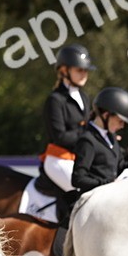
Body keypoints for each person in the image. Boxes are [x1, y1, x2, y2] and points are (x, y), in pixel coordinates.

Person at [52, 86, 128, 256]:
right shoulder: (87, 140)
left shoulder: (111, 139)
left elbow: (119, 164)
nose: (122, 125)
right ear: (106, 114)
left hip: (109, 198)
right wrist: (107, 184)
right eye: (120, 120)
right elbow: (78, 178)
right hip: (93, 200)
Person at [39, 44, 97, 194]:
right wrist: (88, 134)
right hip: (59, 159)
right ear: (64, 71)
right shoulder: (55, 100)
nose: (84, 74)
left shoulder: (84, 97)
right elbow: (60, 137)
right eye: (79, 70)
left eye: (85, 70)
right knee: (83, 191)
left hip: (78, 160)